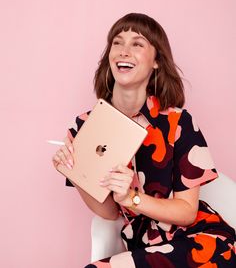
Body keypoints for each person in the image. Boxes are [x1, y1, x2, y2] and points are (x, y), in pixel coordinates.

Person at [52, 13, 236, 267]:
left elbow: (187, 212)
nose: (124, 51)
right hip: (144, 247)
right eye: (117, 42)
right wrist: (74, 172)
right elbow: (109, 212)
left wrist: (131, 198)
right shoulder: (85, 125)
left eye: (137, 44)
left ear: (156, 62)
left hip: (201, 242)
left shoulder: (178, 123)